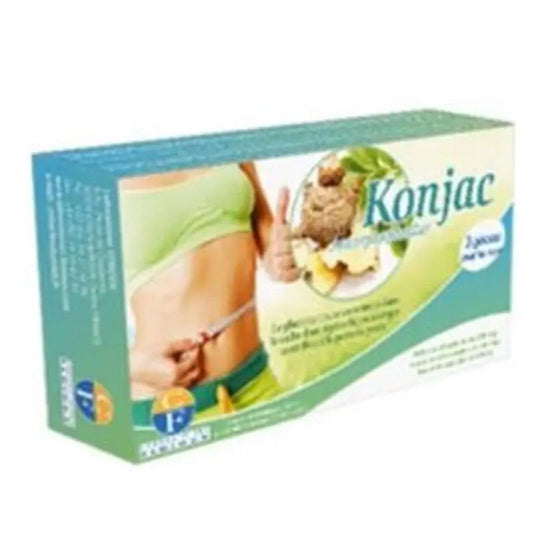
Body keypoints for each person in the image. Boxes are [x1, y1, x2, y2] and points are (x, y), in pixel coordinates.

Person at [119, 161, 298, 424]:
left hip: (257, 384)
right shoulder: (97, 173)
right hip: (170, 412)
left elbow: (264, 228)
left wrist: (277, 257)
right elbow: (65, 342)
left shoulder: (225, 142)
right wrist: (133, 366)